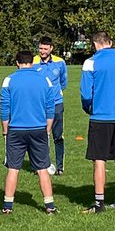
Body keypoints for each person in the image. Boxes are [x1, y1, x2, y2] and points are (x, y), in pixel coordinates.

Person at [79, 31, 115, 213]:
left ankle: (99, 203)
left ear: (95, 44)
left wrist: (89, 107)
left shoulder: (91, 62)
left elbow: (86, 93)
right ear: (110, 42)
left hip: (100, 117)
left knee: (99, 160)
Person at [0, 50, 58, 215]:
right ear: (32, 62)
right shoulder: (45, 80)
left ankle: (7, 206)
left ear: (17, 63)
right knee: (43, 168)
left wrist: (5, 130)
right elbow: (50, 107)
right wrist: (48, 128)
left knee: (13, 168)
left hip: (16, 130)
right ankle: (50, 206)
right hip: (39, 129)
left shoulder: (9, 80)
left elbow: (4, 108)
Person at [32, 37, 68, 175]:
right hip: (39, 105)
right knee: (39, 135)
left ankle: (59, 167)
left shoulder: (60, 62)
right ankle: (40, 165)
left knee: (57, 136)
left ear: (51, 48)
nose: (42, 51)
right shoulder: (33, 62)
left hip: (56, 103)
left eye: (45, 49)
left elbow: (63, 82)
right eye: (40, 48)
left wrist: (55, 94)